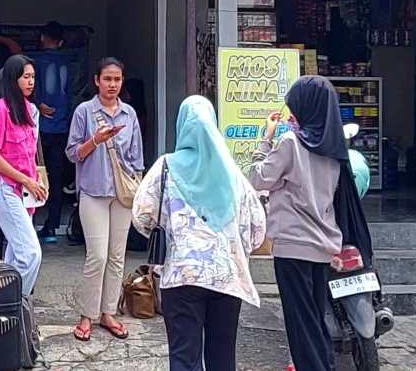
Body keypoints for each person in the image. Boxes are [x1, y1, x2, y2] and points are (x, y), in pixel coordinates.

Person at [132, 96, 266, 371]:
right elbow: (256, 229)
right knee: (222, 355)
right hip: (226, 277)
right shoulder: (232, 173)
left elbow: (142, 216)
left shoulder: (166, 167)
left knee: (184, 356)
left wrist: (171, 235)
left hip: (182, 275)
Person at [249, 76, 373, 371]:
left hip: (293, 247)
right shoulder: (334, 147)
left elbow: (257, 178)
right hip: (324, 245)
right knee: (316, 321)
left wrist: (265, 139)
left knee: (301, 327)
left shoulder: (290, 142)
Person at [67, 57, 144, 342]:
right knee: (96, 256)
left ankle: (108, 312)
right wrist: (96, 140)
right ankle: (87, 315)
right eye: (107, 79)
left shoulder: (129, 114)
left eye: (117, 79)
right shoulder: (84, 112)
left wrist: (137, 184)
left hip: (122, 194)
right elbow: (72, 153)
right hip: (93, 191)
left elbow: (137, 156)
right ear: (97, 80)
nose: (112, 84)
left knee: (116, 256)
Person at [0, 54, 48, 297]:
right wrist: (26, 180)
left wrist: (36, 181)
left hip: (25, 190)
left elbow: (31, 154)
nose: (31, 82)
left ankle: (6, 311)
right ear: (13, 79)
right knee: (31, 253)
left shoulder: (31, 110)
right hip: (6, 187)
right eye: (25, 77)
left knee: (16, 253)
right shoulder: (0, 110)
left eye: (32, 77)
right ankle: (14, 302)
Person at [33, 22, 72, 243]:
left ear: (42, 38)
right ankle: (53, 225)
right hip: (62, 127)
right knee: (56, 178)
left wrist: (38, 104)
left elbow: (30, 92)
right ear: (62, 41)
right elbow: (71, 93)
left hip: (39, 130)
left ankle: (32, 222)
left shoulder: (36, 62)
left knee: (33, 175)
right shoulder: (68, 63)